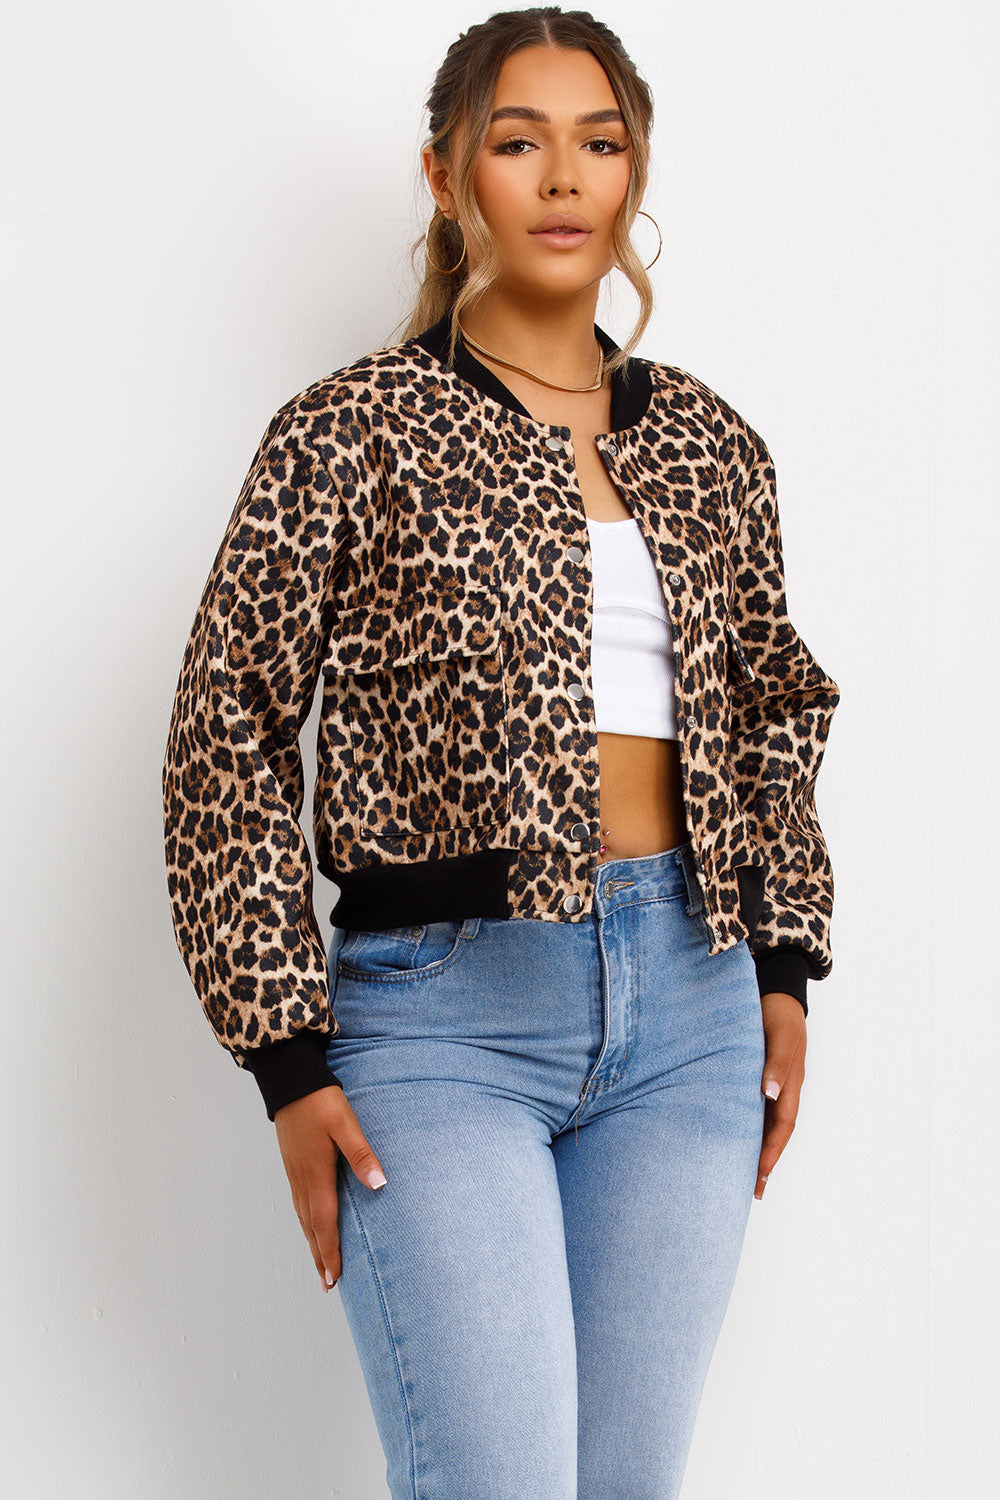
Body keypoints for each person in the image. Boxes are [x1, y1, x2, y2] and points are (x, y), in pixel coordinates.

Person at [161, 8, 840, 1497]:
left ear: (635, 170)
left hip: (694, 1009)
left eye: (599, 143)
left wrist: (785, 966)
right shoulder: (352, 430)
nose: (563, 177)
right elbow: (227, 734)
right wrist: (284, 1057)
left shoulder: (712, 444)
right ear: (448, 173)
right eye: (517, 141)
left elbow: (772, 710)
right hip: (443, 1018)